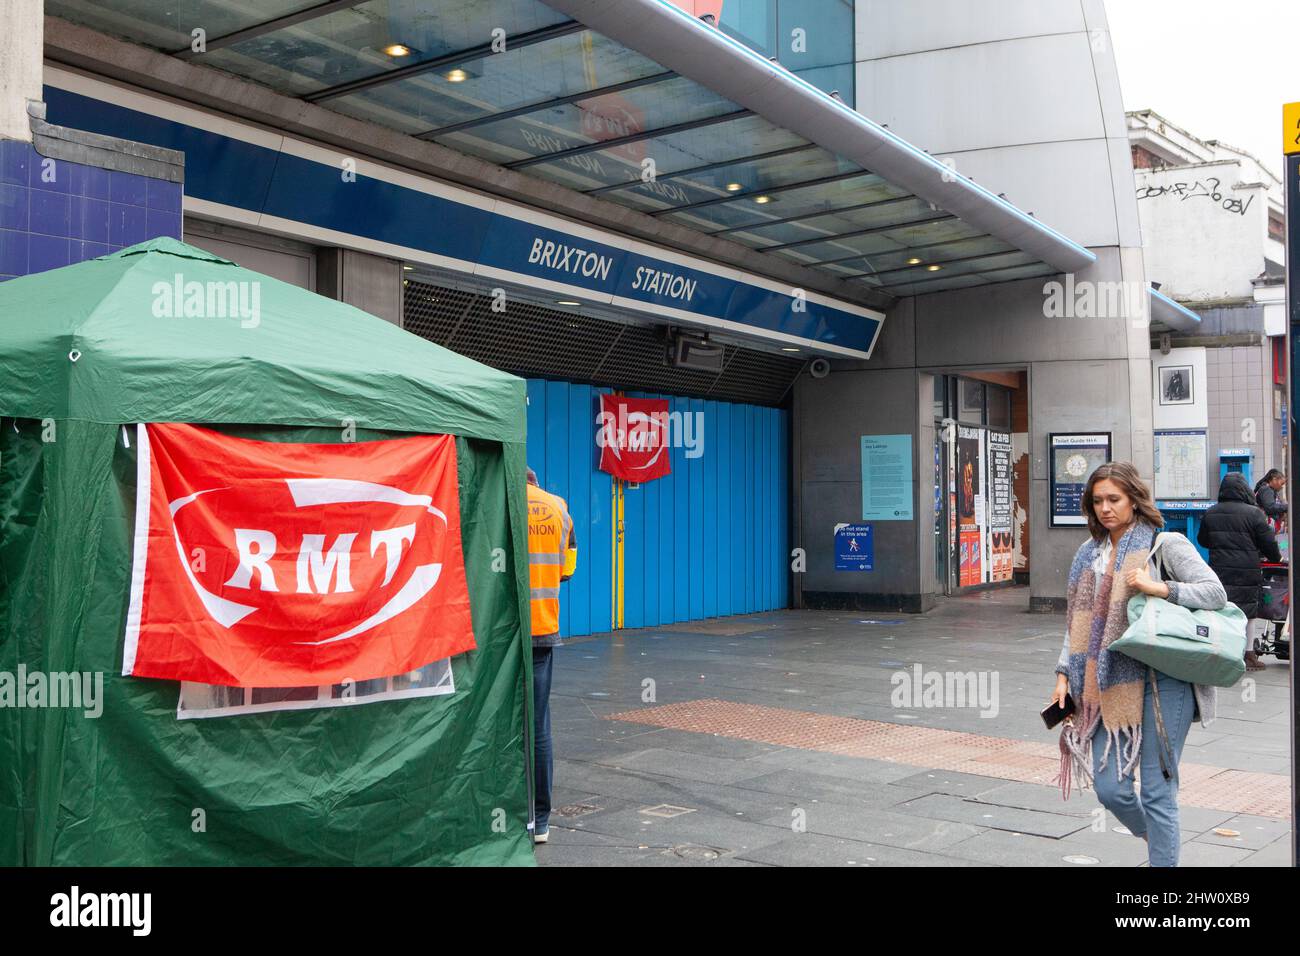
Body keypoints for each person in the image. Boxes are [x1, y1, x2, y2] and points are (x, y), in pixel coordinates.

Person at [1050, 461, 1226, 868]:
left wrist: (1160, 587)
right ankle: (1160, 840)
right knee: (1111, 789)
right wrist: (1062, 673)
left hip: (1166, 679)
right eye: (1097, 501)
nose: (1105, 508)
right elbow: (1076, 623)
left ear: (1134, 499)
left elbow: (1215, 593)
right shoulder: (1088, 554)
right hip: (1107, 683)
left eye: (1114, 499)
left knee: (1157, 791)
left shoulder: (1165, 545)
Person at [525, 467, 576, 845]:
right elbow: (567, 571)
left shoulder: (504, 503)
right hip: (542, 630)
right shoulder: (559, 508)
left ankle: (505, 812)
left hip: (503, 632)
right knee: (538, 726)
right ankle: (540, 820)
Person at [1198, 472, 1280, 672]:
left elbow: (1203, 540)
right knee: (1249, 612)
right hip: (1247, 569)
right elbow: (1268, 542)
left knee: (1222, 610)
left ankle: (1222, 652)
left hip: (1219, 570)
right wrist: (1275, 558)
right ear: (1244, 489)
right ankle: (1248, 654)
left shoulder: (1211, 512)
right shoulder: (1254, 513)